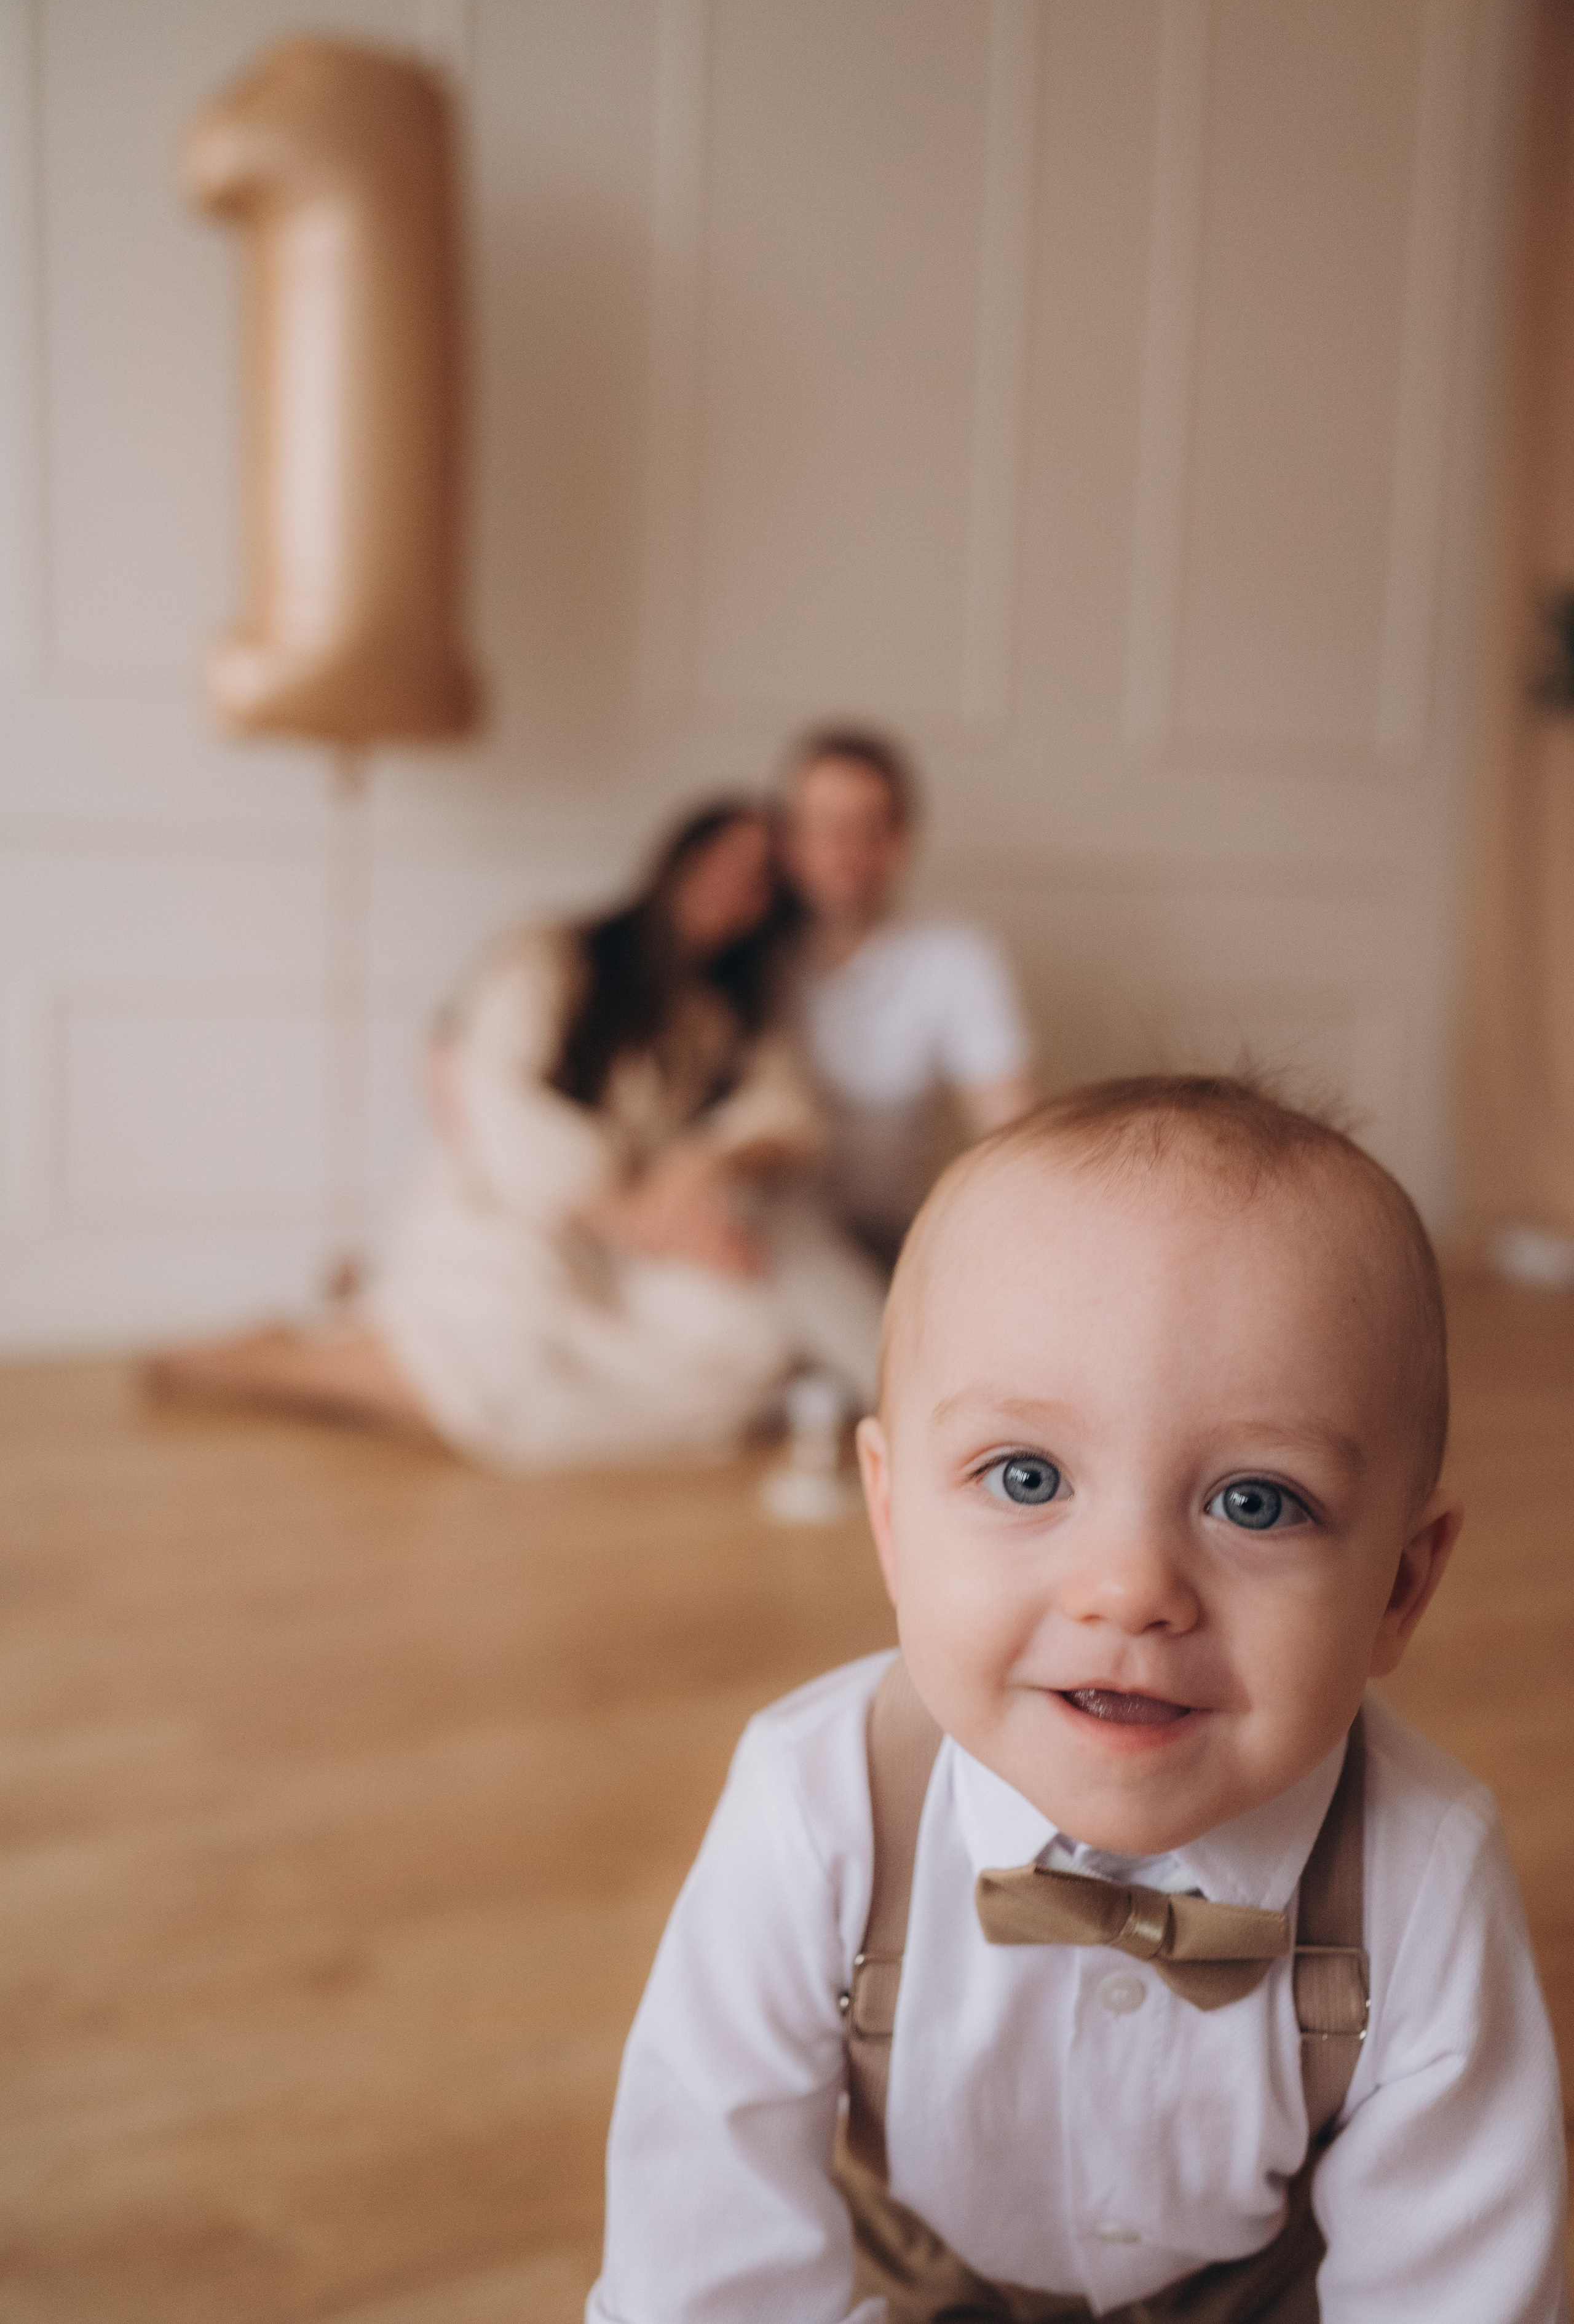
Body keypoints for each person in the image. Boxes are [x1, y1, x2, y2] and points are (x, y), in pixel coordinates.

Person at [588, 1074, 1568, 2322]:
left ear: (1399, 1586)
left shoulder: (1421, 1872)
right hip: (912, 2272)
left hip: (1264, 2285)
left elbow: (1457, 2287)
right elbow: (704, 2242)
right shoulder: (815, 1802)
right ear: (890, 1521)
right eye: (1026, 1473)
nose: (1127, 1590)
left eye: (1252, 1501)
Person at [148, 800, 885, 1464]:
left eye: (760, 880)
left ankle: (360, 1364)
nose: (735, 887)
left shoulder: (738, 1012)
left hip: (632, 1251)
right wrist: (630, 1214)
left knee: (746, 1339)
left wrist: (701, 1166)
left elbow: (785, 1117)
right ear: (677, 857)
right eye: (722, 860)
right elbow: (499, 1109)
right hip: (512, 1211)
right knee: (504, 1350)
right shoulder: (554, 952)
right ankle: (274, 1367)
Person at [780, 727, 1035, 1263]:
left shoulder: (956, 957)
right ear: (791, 841)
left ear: (901, 839)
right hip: (771, 1232)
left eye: (867, 827)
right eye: (824, 827)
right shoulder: (748, 958)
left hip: (896, 1231)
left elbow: (1011, 1128)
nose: (845, 851)